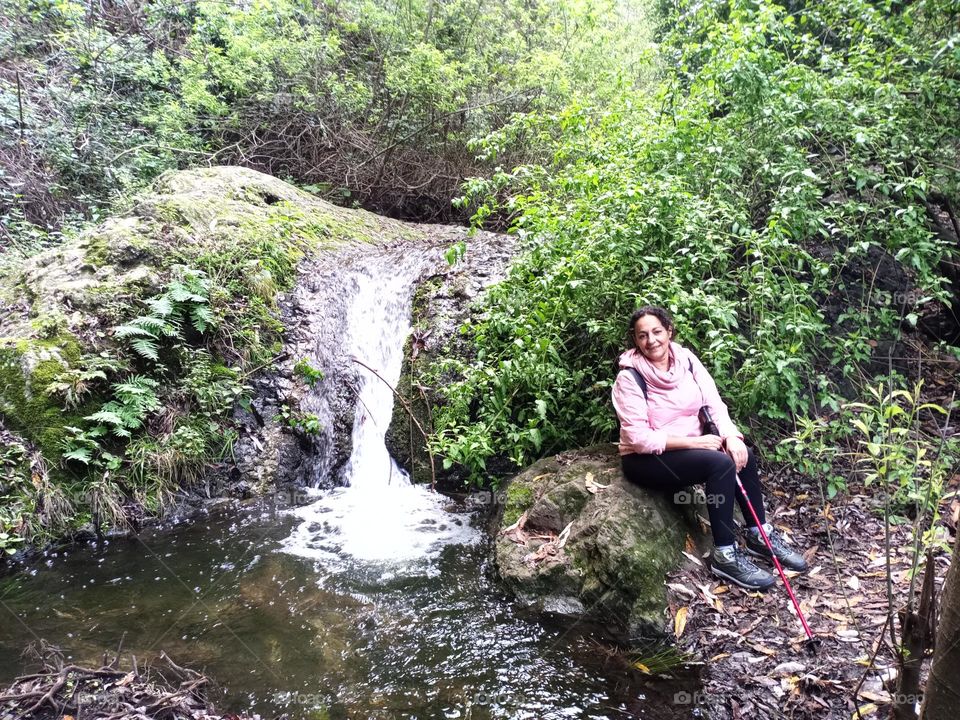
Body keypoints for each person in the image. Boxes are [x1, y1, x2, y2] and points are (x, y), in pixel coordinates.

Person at [611, 306, 807, 591]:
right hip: (647, 460)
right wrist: (696, 442)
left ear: (669, 331)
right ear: (635, 340)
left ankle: (759, 535)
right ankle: (725, 556)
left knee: (743, 454)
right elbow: (639, 438)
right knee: (719, 464)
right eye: (642, 336)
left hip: (691, 449)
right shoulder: (629, 378)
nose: (651, 341)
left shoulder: (686, 360)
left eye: (656, 332)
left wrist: (730, 437)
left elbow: (714, 405)